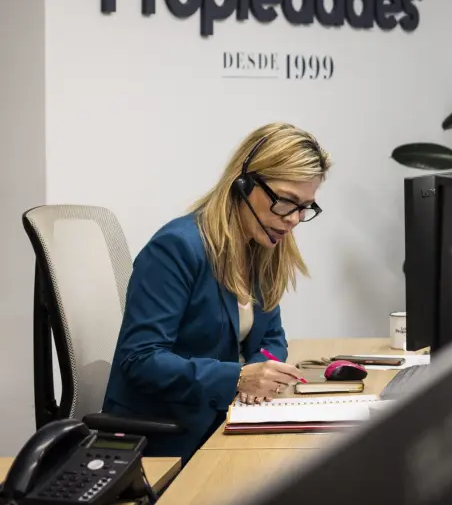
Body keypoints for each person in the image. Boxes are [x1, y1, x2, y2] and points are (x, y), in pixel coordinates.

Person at [103, 123, 330, 462]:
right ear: (243, 184)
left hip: (228, 420)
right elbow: (141, 359)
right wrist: (236, 378)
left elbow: (272, 338)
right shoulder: (177, 248)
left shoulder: (262, 247)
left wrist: (261, 370)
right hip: (168, 438)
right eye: (286, 201)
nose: (295, 218)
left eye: (305, 207)